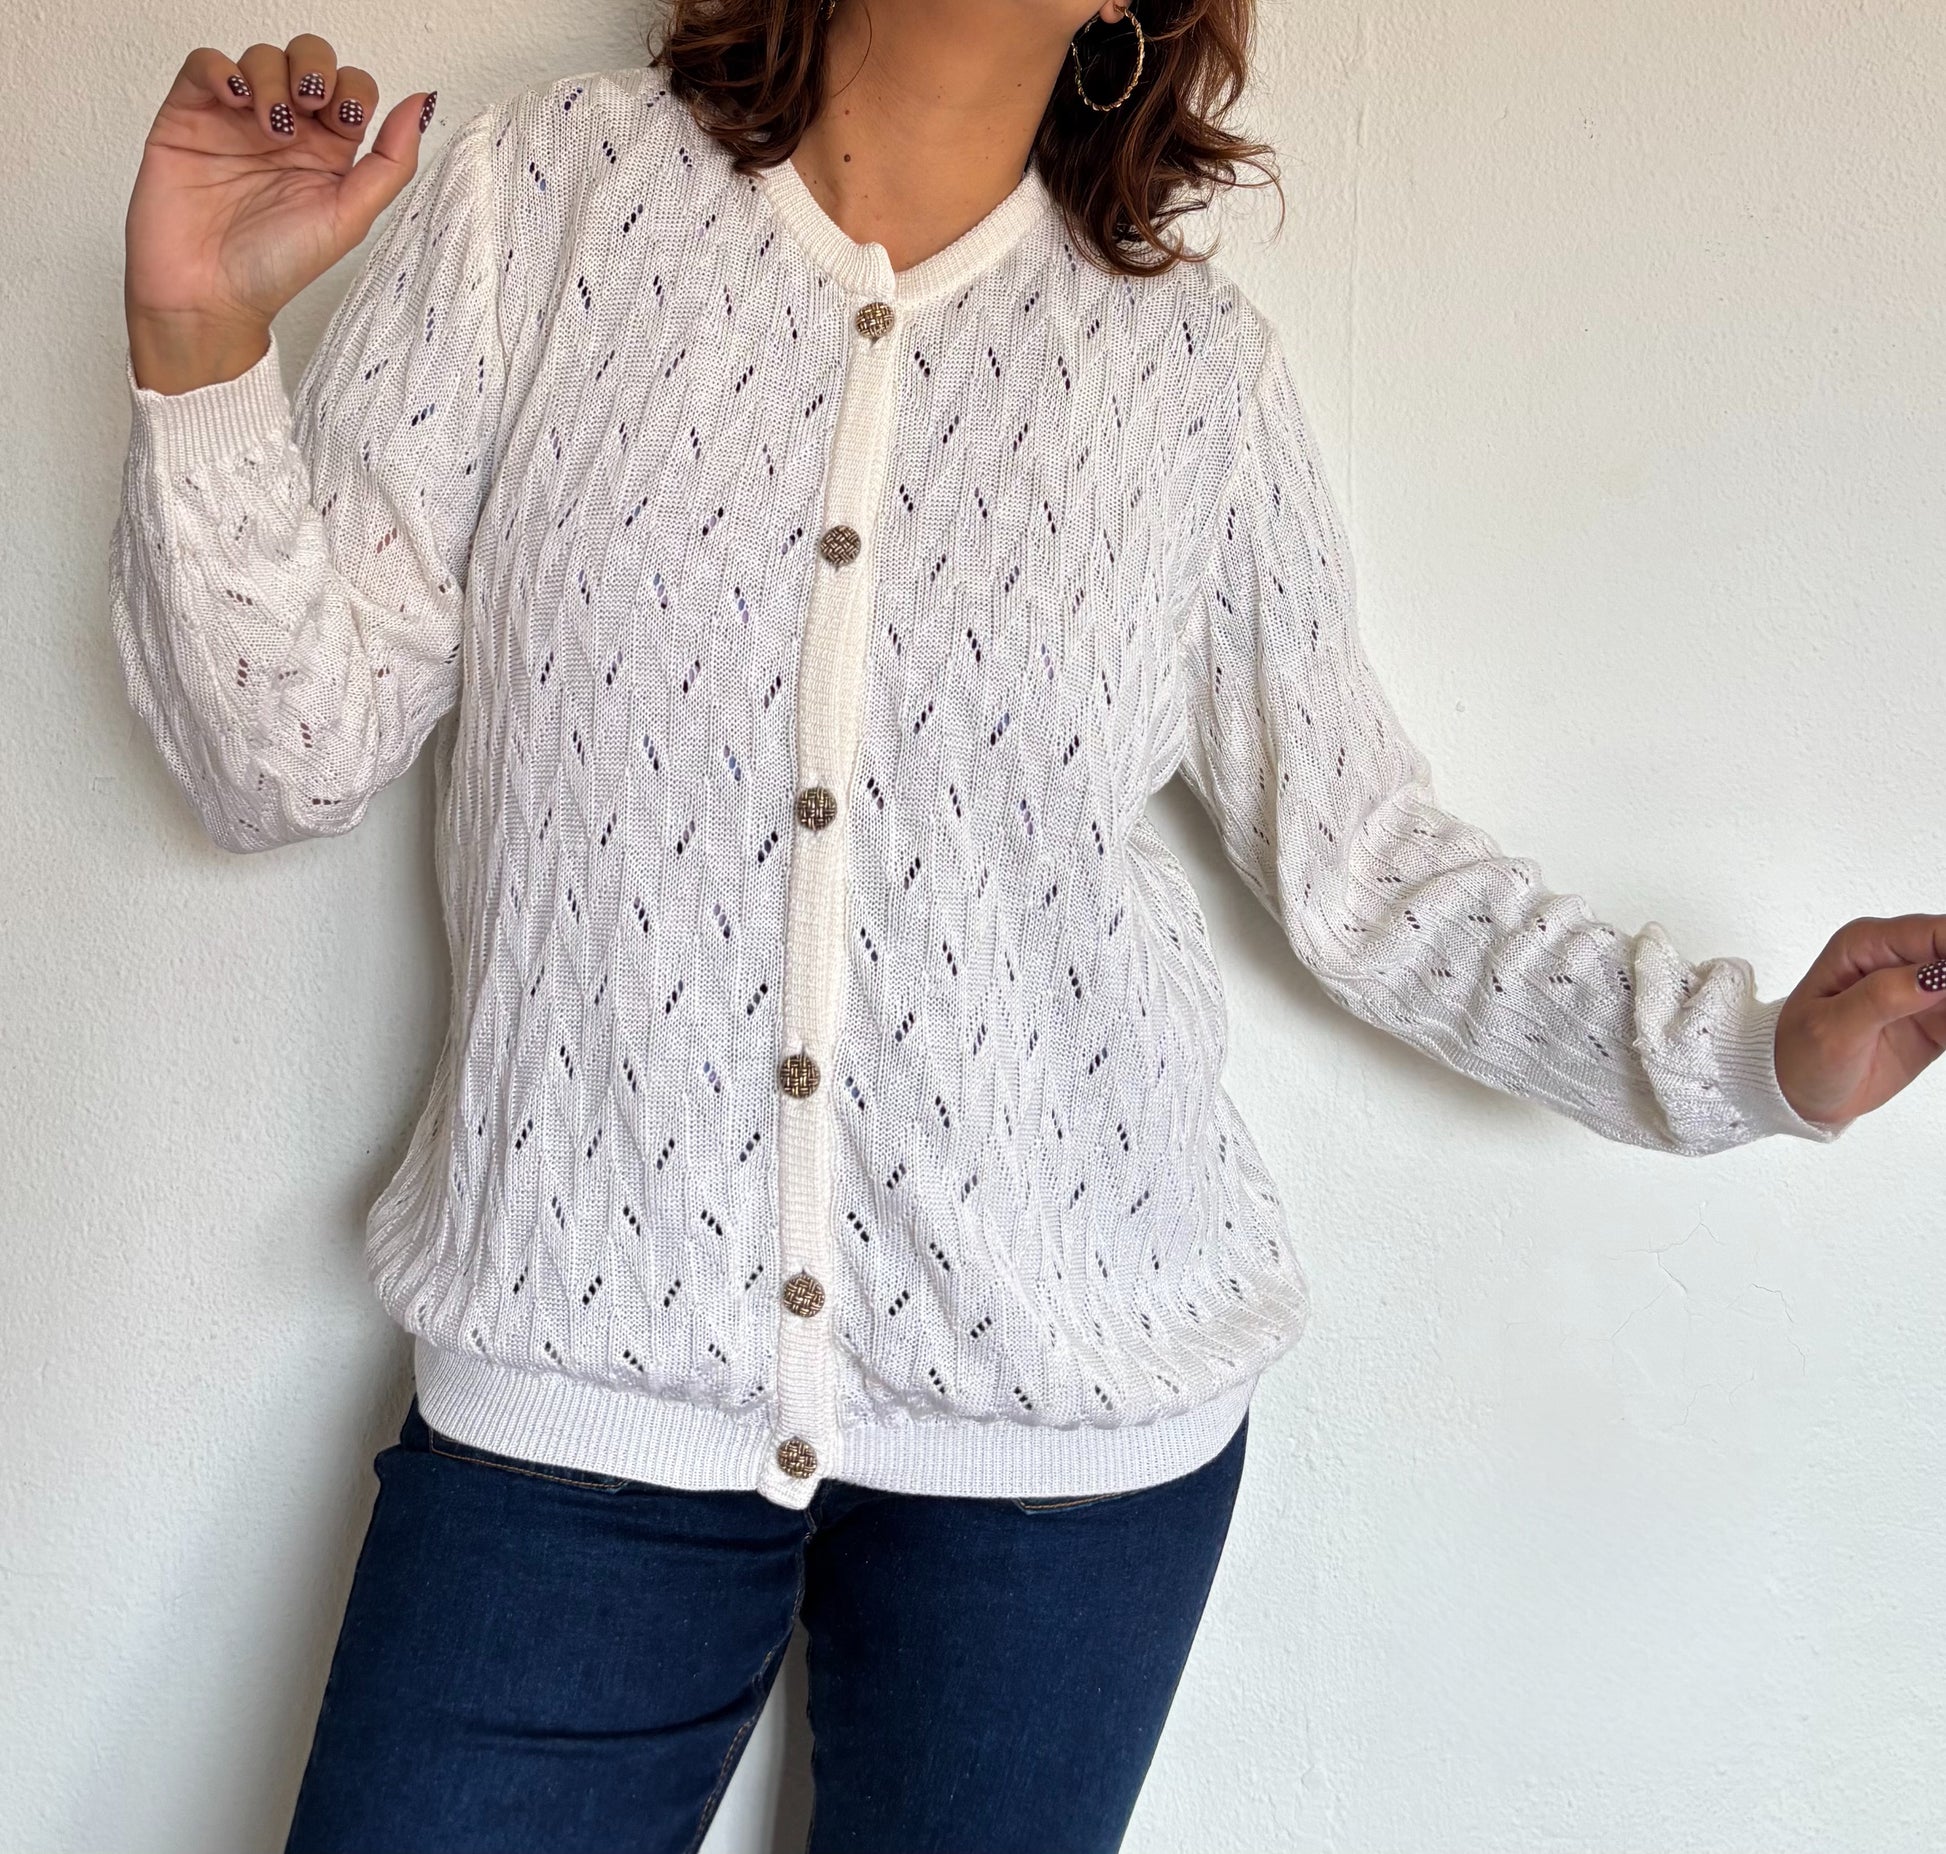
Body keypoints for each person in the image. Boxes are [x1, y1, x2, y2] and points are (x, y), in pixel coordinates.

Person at [111, 2, 1937, 1849]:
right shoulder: (537, 200)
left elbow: (1367, 859)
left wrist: (1740, 1054)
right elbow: (281, 761)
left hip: (1070, 1427)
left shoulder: (1188, 375)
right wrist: (199, 339)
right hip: (581, 1387)